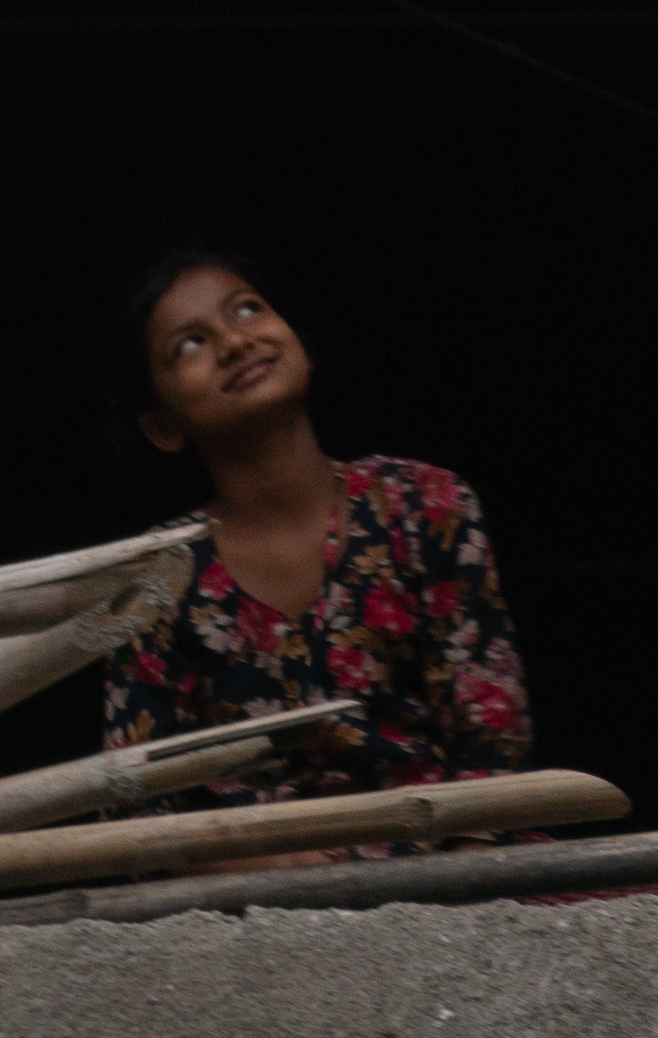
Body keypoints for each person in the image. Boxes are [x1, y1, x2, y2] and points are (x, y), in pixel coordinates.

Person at [100, 248, 534, 802]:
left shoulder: (427, 506)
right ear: (162, 427)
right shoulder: (153, 578)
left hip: (448, 863)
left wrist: (460, 870)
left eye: (248, 309)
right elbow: (140, 801)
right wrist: (261, 872)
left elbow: (493, 748)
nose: (236, 342)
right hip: (253, 881)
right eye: (190, 344)